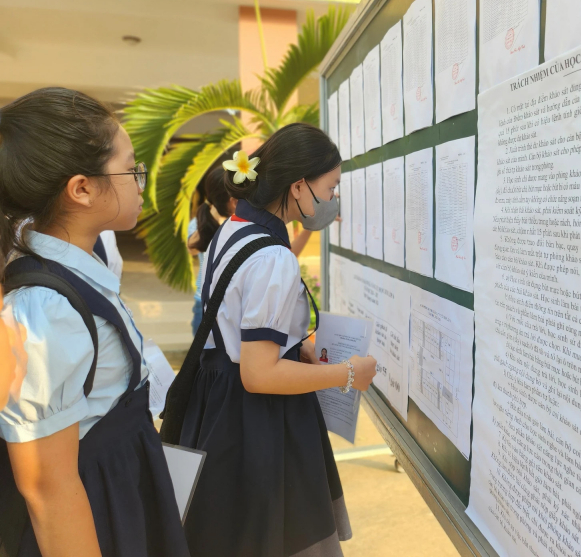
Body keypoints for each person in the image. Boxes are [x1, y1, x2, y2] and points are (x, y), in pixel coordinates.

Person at [0, 88, 190, 557]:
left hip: (117, 491)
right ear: (81, 188)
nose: (141, 180)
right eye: (131, 168)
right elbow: (49, 490)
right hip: (96, 514)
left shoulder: (76, 270)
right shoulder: (46, 312)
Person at [178, 123, 377, 557]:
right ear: (299, 186)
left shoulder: (234, 228)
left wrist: (294, 346)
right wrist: (347, 373)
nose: (332, 199)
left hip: (219, 409)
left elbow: (235, 327)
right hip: (259, 424)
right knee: (278, 536)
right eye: (331, 187)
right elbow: (258, 373)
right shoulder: (272, 256)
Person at [187, 167, 237, 335]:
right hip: (205, 303)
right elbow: (192, 249)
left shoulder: (239, 223)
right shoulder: (200, 223)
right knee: (202, 360)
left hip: (231, 304)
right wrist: (211, 220)